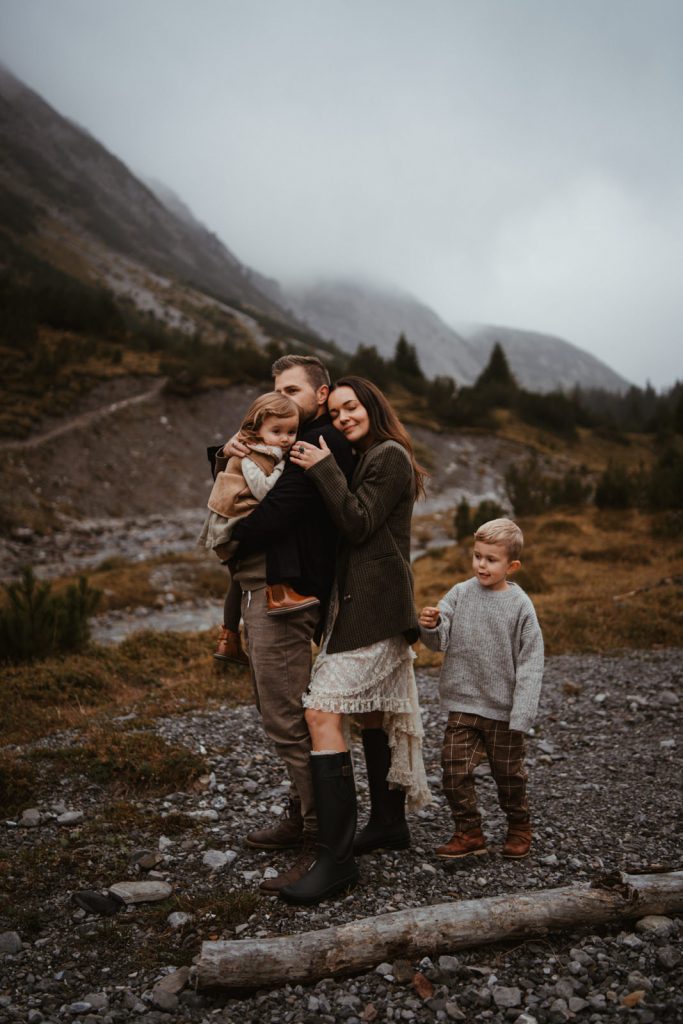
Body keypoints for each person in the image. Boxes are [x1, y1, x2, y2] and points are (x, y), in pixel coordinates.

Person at [278, 376, 432, 906]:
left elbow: (358, 522)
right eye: (337, 411)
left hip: (377, 608)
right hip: (364, 606)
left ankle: (336, 860)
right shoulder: (369, 455)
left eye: (352, 407)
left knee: (322, 713)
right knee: (371, 713)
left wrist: (321, 468)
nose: (343, 418)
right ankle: (389, 825)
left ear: (373, 406)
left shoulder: (387, 455)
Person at [225, 355, 357, 892]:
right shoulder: (287, 440)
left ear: (321, 394)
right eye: (275, 388)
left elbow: (275, 513)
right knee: (281, 711)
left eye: (294, 389)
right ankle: (303, 817)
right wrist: (228, 452)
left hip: (288, 595)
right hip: (271, 591)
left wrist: (229, 537)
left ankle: (321, 841)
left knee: (286, 718)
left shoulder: (321, 443)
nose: (283, 397)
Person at [418, 517, 544, 861]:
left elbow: (532, 662)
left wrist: (522, 714)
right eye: (477, 556)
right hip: (462, 704)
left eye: (491, 559)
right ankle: (468, 831)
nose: (481, 565)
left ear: (511, 565)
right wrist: (429, 625)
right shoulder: (459, 593)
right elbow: (438, 640)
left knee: (509, 776)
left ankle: (519, 826)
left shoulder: (520, 606)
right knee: (453, 770)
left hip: (503, 711)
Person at [199, 391, 319, 665]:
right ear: (256, 428)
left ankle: (228, 638)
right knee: (276, 520)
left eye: (291, 431)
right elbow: (263, 490)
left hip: (231, 519)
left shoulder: (266, 449)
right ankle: (277, 595)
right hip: (232, 522)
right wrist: (285, 470)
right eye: (277, 431)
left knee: (236, 582)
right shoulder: (253, 454)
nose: (286, 438)